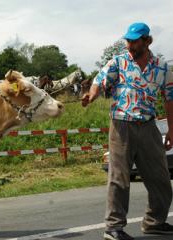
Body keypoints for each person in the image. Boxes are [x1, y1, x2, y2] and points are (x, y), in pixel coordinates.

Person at [82, 22, 173, 240]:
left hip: (149, 126)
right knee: (119, 178)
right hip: (121, 125)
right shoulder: (119, 62)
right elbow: (99, 81)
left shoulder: (162, 68)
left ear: (147, 41)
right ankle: (113, 228)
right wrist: (92, 95)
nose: (130, 44)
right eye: (128, 40)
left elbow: (170, 99)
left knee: (161, 178)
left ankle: (154, 222)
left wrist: (171, 130)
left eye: (135, 41)